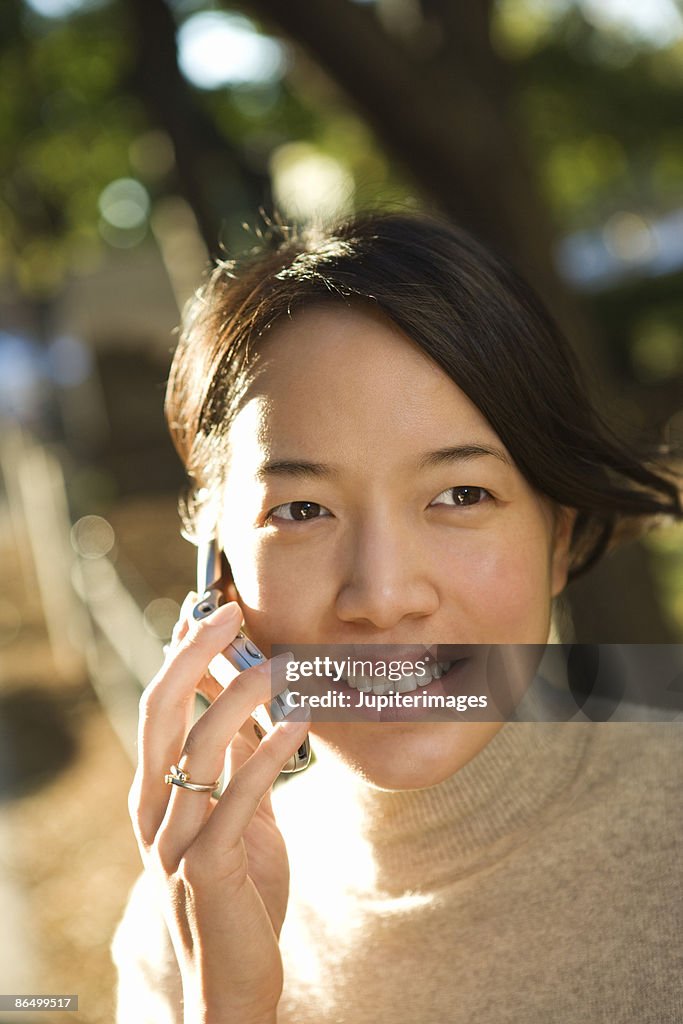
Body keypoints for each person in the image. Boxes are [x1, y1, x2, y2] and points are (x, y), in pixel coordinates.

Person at [111, 212, 682, 1024]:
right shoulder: (181, 922)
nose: (380, 598)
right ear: (220, 575)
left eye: (459, 496)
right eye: (303, 509)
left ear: (556, 539)